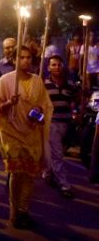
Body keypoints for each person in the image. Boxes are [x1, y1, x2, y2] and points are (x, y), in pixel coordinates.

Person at [0, 46, 53, 229]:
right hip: (11, 132)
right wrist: (9, 103)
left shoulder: (37, 81)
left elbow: (45, 105)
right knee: (16, 173)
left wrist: (39, 111)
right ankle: (13, 212)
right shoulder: (5, 81)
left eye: (28, 58)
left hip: (32, 132)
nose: (26, 61)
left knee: (29, 174)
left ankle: (24, 210)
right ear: (14, 60)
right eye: (22, 57)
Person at [43, 56, 79, 198]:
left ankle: (48, 173)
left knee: (58, 152)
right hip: (52, 123)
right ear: (48, 67)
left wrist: (78, 109)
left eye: (59, 65)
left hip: (67, 123)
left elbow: (75, 101)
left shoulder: (70, 85)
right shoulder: (44, 84)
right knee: (58, 154)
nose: (56, 67)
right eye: (53, 65)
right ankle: (64, 184)